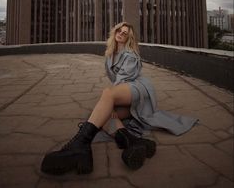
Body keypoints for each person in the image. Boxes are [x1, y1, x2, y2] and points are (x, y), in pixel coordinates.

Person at [41, 21, 198, 175]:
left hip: (138, 88)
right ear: (114, 32)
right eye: (119, 31)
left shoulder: (130, 55)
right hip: (123, 90)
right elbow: (115, 82)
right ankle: (133, 142)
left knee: (107, 95)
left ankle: (80, 145)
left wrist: (113, 102)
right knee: (100, 115)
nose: (121, 34)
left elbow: (122, 79)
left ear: (129, 38)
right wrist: (111, 106)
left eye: (125, 33)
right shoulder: (110, 55)